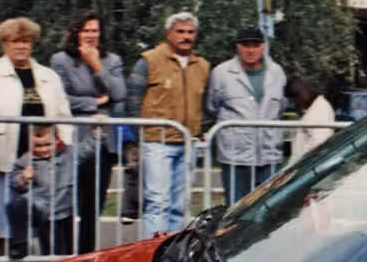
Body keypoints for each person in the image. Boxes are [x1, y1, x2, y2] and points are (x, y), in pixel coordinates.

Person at [0, 17, 74, 262]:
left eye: (26, 41)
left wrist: (65, 144)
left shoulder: (47, 76)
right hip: (3, 157)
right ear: (4, 44)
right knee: (4, 217)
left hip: (42, 158)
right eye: (15, 41)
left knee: (44, 216)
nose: (21, 46)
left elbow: (63, 114)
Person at [127, 12, 210, 235]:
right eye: (180, 31)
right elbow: (133, 99)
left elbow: (206, 101)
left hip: (188, 142)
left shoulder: (202, 65)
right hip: (157, 142)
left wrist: (202, 129)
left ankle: (173, 257)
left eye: (190, 32)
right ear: (168, 34)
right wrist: (140, 134)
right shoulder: (149, 61)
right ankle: (151, 253)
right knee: (157, 202)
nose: (186, 37)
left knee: (180, 205)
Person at [50, 11, 125, 252]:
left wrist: (96, 65)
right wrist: (96, 104)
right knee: (66, 202)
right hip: (73, 139)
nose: (91, 35)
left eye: (94, 30)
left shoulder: (112, 60)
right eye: (85, 30)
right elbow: (61, 98)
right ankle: (61, 258)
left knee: (92, 207)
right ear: (76, 33)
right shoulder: (60, 60)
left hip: (103, 142)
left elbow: (119, 94)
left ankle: (86, 259)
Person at [206, 26, 288, 205]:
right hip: (236, 156)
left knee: (268, 208)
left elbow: (280, 107)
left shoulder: (277, 72)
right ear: (238, 47)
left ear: (263, 47)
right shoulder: (221, 73)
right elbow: (212, 106)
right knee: (236, 210)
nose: (251, 50)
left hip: (269, 155)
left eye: (255, 45)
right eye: (246, 45)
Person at [7, 123, 100, 260]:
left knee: (65, 251)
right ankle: (21, 245)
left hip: (64, 210)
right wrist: (23, 178)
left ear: (57, 140)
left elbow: (87, 148)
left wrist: (96, 131)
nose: (43, 150)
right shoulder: (26, 159)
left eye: (47, 144)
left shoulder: (69, 153)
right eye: (38, 146)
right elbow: (14, 182)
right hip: (44, 212)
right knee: (16, 206)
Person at [286, 75, 336, 164]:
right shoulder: (313, 109)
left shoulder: (320, 109)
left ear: (299, 96)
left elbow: (320, 143)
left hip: (309, 166)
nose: (293, 105)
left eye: (294, 101)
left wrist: (300, 161)